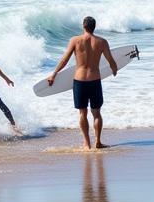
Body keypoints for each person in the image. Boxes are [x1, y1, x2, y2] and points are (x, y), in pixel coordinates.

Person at [47, 16, 118, 150]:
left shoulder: (75, 40)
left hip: (79, 81)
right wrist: (114, 70)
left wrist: (54, 74)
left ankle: (86, 143)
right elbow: (111, 60)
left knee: (82, 113)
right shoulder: (102, 42)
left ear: (83, 26)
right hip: (95, 80)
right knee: (96, 113)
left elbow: (64, 60)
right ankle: (98, 141)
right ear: (94, 27)